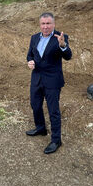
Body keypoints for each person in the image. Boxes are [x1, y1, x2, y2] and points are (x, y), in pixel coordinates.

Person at [26, 12, 72, 154]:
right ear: (40, 24)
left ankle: (56, 140)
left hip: (52, 81)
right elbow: (30, 55)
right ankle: (40, 128)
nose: (45, 27)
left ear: (53, 24)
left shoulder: (60, 37)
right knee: (35, 105)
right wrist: (30, 61)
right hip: (37, 79)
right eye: (43, 24)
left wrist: (63, 45)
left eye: (48, 23)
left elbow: (68, 56)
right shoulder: (34, 38)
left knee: (53, 111)